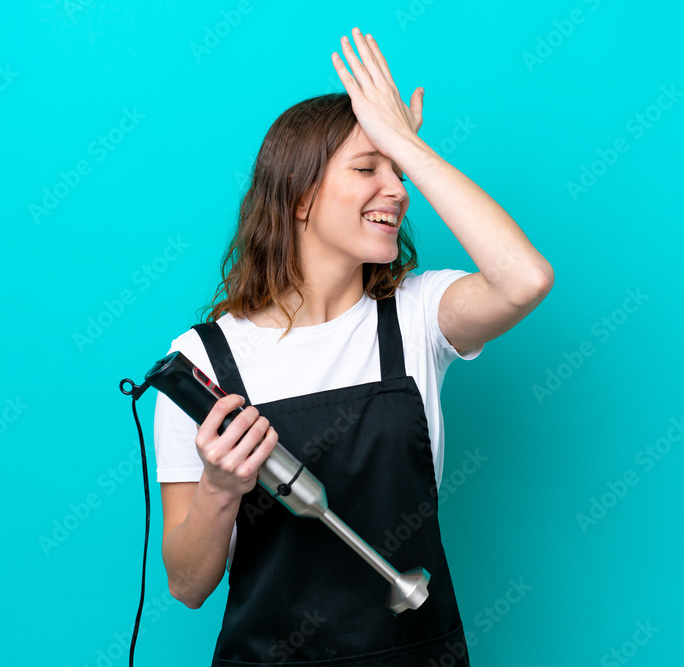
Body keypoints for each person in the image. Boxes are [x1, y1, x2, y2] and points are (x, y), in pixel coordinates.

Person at [153, 27, 554, 665]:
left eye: (398, 172)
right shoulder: (205, 363)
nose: (395, 190)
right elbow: (187, 585)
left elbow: (525, 278)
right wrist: (220, 487)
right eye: (368, 168)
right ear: (300, 197)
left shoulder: (418, 316)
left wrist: (406, 145)